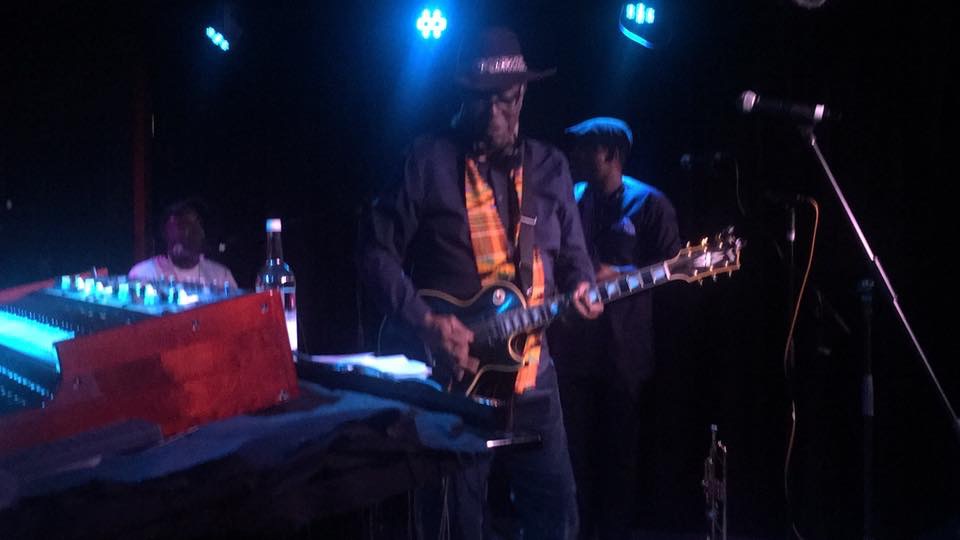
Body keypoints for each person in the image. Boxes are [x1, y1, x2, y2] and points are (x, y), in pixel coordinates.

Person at [358, 26, 602, 540]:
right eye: (481, 102)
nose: (495, 116)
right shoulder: (426, 160)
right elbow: (374, 253)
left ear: (524, 94)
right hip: (454, 380)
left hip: (535, 379)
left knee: (557, 522)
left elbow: (577, 260)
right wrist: (424, 323)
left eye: (507, 102)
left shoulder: (550, 167)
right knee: (452, 526)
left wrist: (584, 291)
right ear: (461, 96)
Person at [549, 117, 680, 540]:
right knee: (572, 459)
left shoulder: (651, 204)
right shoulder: (571, 199)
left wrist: (621, 273)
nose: (574, 156)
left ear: (608, 153)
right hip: (573, 354)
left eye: (584, 147)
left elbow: (678, 268)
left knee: (618, 464)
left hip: (624, 355)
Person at [129, 199, 238, 288]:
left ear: (203, 235)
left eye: (190, 228)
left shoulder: (221, 275)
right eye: (175, 229)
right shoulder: (143, 274)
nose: (182, 235)